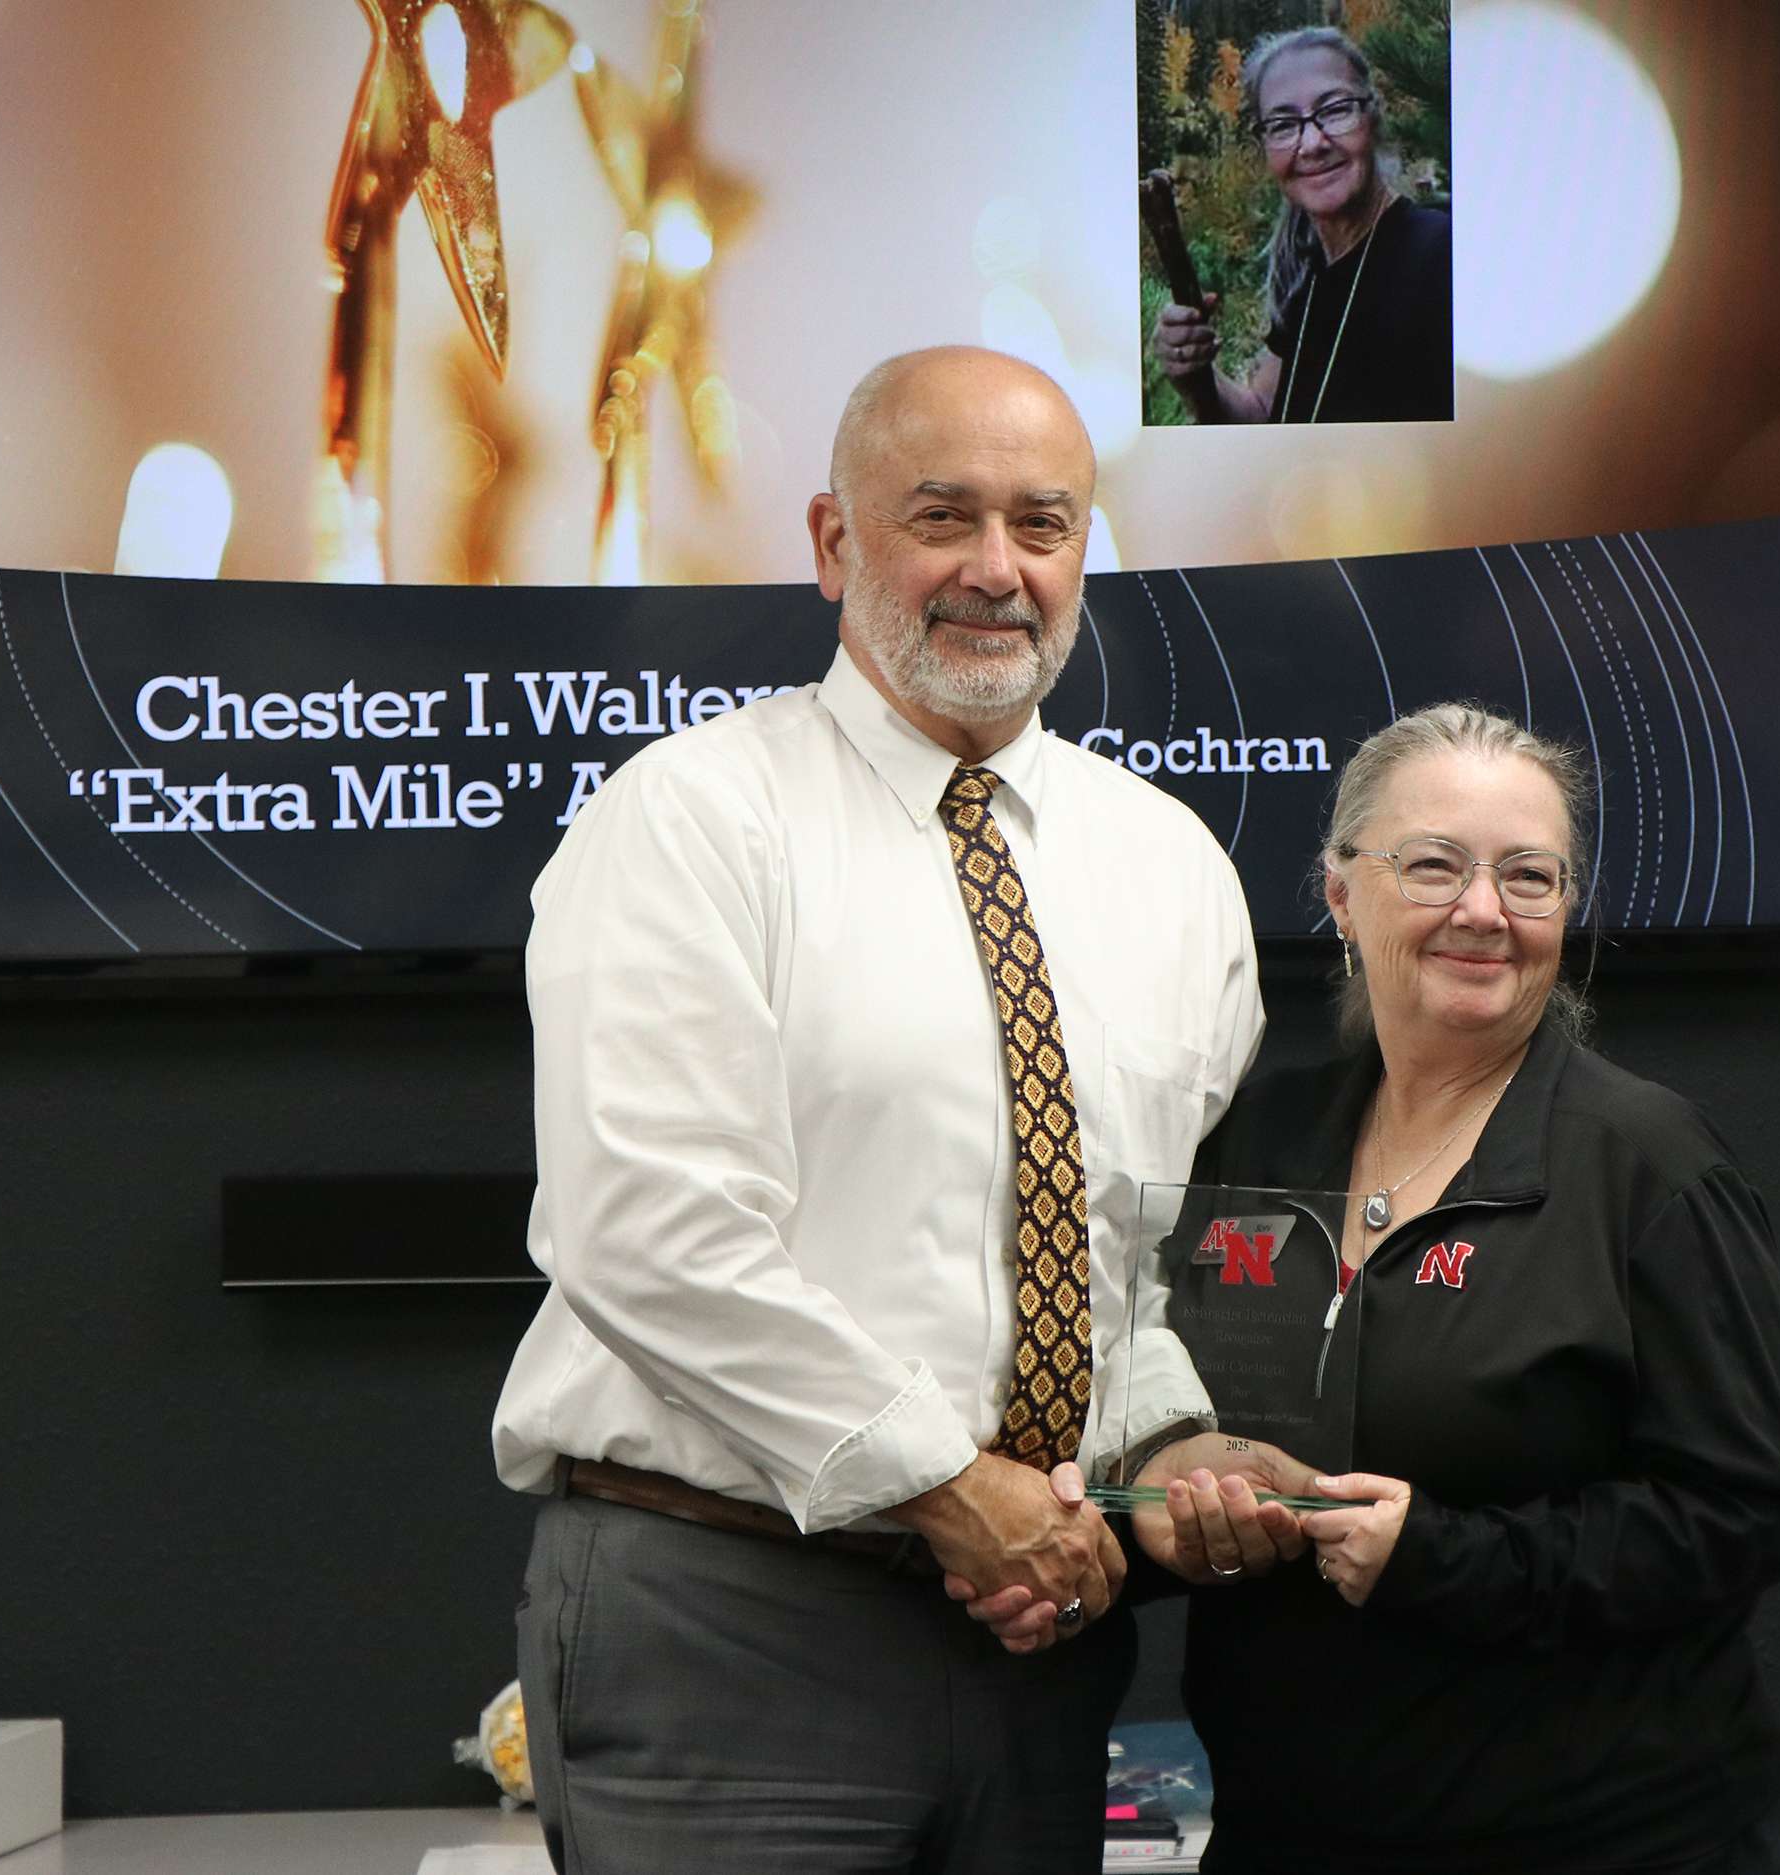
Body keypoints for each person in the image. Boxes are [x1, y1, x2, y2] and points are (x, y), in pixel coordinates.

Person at [493, 346, 1264, 1874]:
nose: (997, 569)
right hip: (734, 1621)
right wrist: (949, 1483)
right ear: (834, 541)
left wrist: (1165, 1443)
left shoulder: (1171, 870)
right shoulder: (692, 816)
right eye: (942, 515)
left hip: (1039, 1644)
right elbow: (649, 1231)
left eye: (1042, 525)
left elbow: (1140, 1264)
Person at [1134, 704, 1780, 1873]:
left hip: (1596, 1838)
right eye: (1434, 865)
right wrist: (1170, 1504)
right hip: (1291, 1831)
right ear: (1341, 896)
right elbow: (1166, 1395)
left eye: (1529, 877)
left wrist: (1442, 1558)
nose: (1483, 911)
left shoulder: (1647, 1163)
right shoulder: (1258, 1143)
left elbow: (1742, 1515)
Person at [1153, 27, 1454, 425]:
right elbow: (1262, 415)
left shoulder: (1444, 259)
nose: (1311, 143)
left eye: (1334, 110)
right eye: (1282, 124)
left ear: (1373, 115)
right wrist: (1196, 379)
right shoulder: (1306, 278)